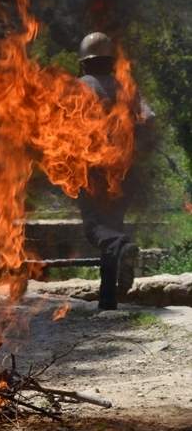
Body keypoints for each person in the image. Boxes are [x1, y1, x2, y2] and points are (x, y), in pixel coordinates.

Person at [77, 31, 155, 310]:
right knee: (112, 227)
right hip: (126, 172)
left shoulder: (80, 87)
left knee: (95, 228)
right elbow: (149, 119)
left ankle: (122, 246)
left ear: (84, 62)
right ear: (111, 61)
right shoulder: (127, 88)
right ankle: (107, 300)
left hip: (93, 171)